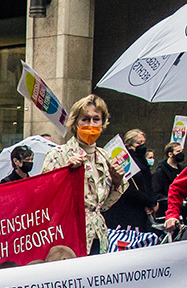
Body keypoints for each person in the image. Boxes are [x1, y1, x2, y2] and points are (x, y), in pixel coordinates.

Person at [40, 94, 126, 253]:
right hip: (68, 236)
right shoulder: (58, 155)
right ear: (75, 122)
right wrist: (65, 174)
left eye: (96, 119)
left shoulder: (104, 157)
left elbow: (105, 205)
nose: (91, 124)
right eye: (85, 119)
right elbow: (44, 198)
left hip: (98, 237)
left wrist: (117, 182)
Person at [104, 129, 159, 231]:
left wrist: (152, 202)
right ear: (129, 145)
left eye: (143, 142)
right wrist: (148, 202)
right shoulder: (127, 161)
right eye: (139, 143)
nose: (142, 146)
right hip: (128, 210)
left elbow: (147, 182)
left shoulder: (142, 161)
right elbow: (129, 188)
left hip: (142, 209)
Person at [151, 141, 186, 218]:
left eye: (181, 151)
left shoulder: (182, 170)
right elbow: (156, 192)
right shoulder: (161, 172)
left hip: (181, 207)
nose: (180, 154)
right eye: (178, 151)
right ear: (170, 154)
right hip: (167, 208)